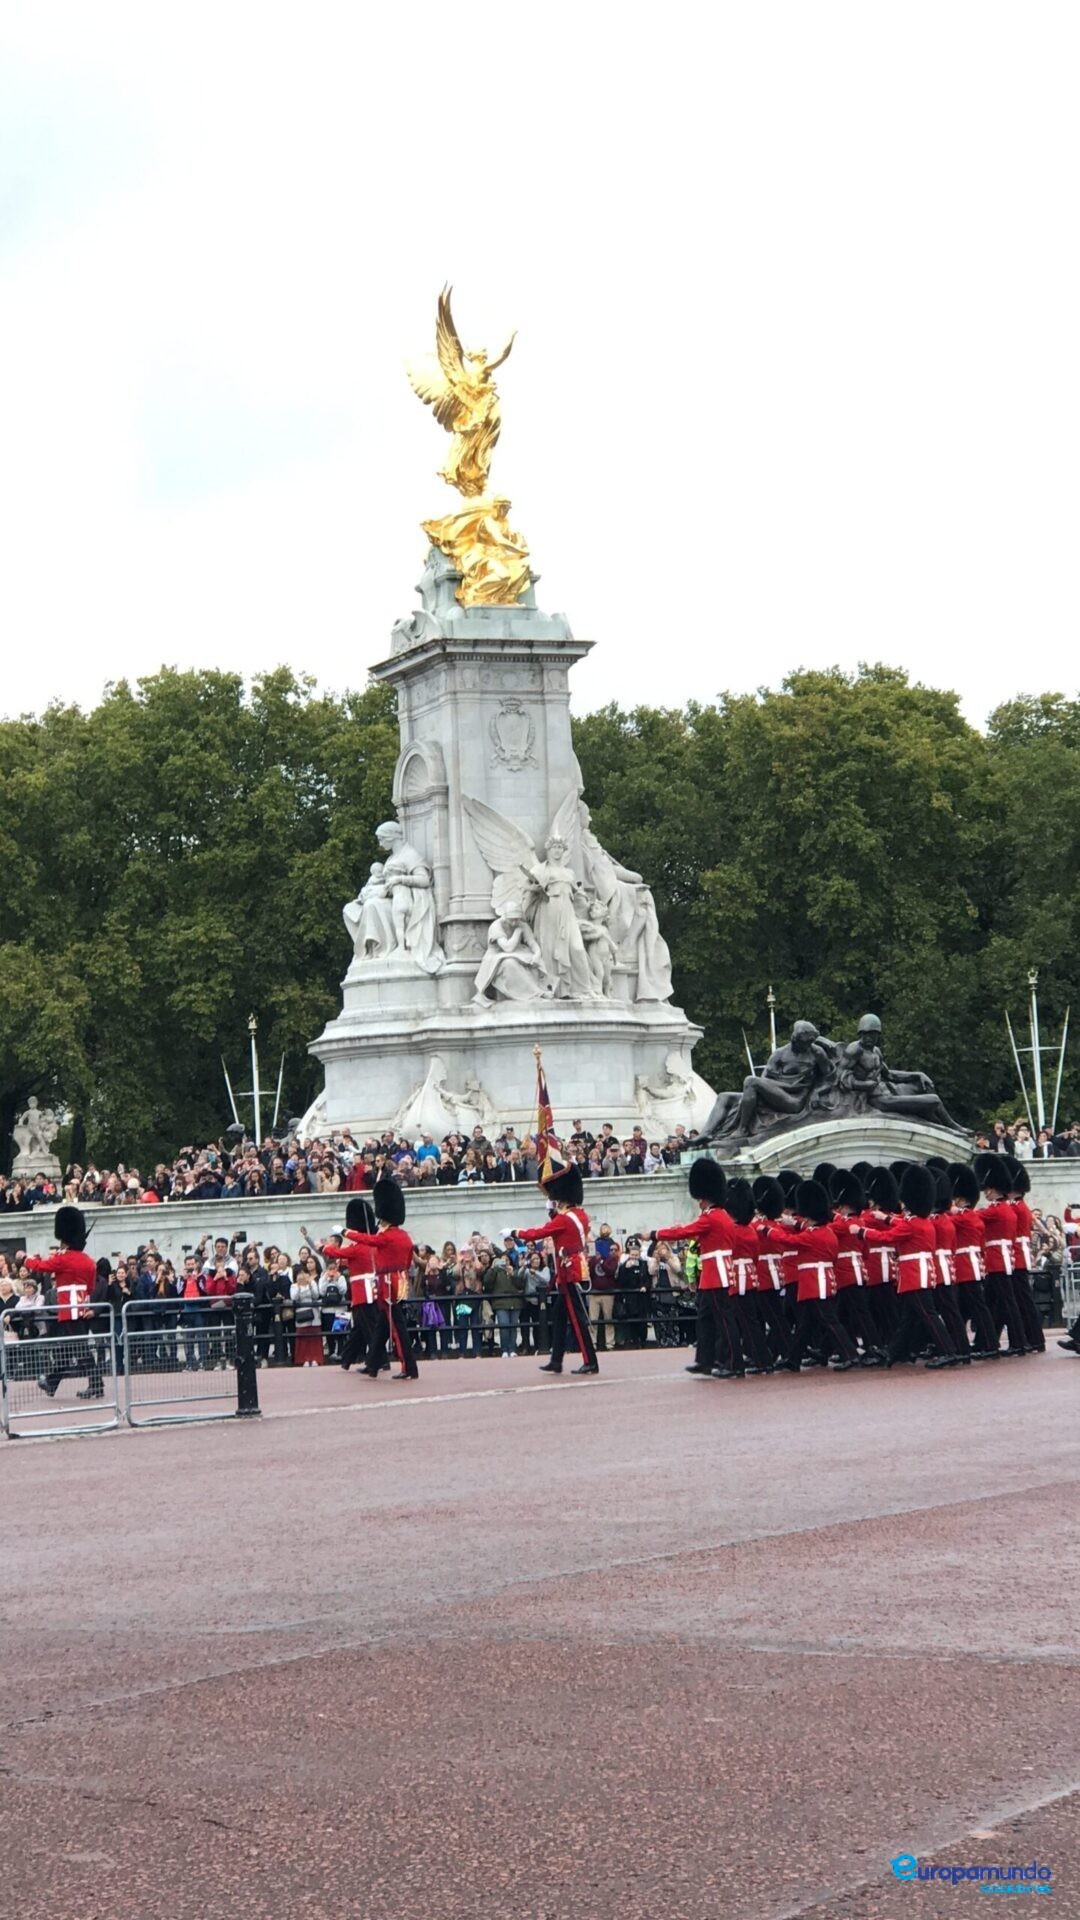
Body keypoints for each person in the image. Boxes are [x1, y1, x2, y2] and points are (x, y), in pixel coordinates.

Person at [759, 1179, 863, 1372]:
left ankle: (850, 1354)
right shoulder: (826, 1232)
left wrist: (768, 1230)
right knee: (805, 1325)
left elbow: (788, 1240)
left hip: (816, 1283)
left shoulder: (813, 1235)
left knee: (830, 1321)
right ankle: (793, 1359)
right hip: (816, 1282)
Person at [862, 1166, 959, 1368]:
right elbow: (901, 1225)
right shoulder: (922, 1221)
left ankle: (948, 1351)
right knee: (909, 1318)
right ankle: (895, 1353)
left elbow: (887, 1237)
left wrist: (862, 1232)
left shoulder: (913, 1223)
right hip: (917, 1273)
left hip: (915, 1274)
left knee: (928, 1315)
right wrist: (885, 1218)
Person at [653, 1158, 742, 1378]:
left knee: (724, 1321)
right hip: (711, 1273)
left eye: (700, 1199)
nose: (698, 1203)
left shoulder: (712, 1218)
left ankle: (734, 1363)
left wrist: (655, 1234)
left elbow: (684, 1232)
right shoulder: (719, 1216)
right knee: (705, 1319)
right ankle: (705, 1360)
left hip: (717, 1273)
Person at [515, 1161, 598, 1376]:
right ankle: (556, 1360)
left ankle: (590, 1361)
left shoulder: (565, 1219)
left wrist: (516, 1233)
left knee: (577, 1319)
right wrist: (554, 1210)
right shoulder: (579, 1214)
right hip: (567, 1270)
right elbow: (560, 1229)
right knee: (559, 1316)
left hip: (569, 1271)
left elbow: (539, 1233)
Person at [340, 1177, 418, 1381]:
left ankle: (409, 1367)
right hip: (399, 1281)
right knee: (382, 1327)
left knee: (397, 1329)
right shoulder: (404, 1236)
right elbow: (408, 1260)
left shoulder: (387, 1236)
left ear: (385, 1219)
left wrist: (345, 1232)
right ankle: (373, 1364)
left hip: (388, 1284)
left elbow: (366, 1239)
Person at [26, 1206, 103, 1400]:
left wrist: (27, 1259)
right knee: (67, 1349)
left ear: (65, 1239)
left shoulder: (63, 1259)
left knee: (80, 1349)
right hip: (81, 1307)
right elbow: (90, 1288)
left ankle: (97, 1385)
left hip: (68, 1309)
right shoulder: (89, 1261)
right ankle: (52, 1383)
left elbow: (41, 1266)